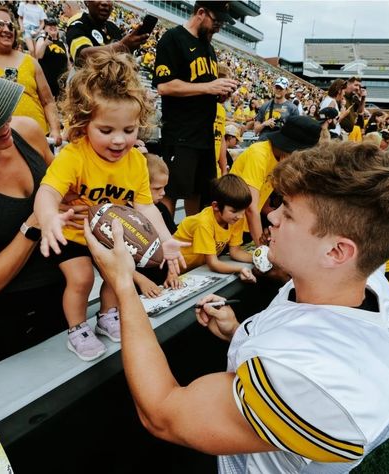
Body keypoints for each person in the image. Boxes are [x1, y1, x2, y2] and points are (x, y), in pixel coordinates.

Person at [85, 140, 389, 473]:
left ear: (337, 252)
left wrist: (123, 284)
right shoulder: (356, 284)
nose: (272, 216)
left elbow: (162, 414)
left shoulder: (316, 382)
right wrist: (238, 333)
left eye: (289, 214)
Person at [34, 50, 187, 362]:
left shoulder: (135, 163)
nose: (119, 140)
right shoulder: (75, 154)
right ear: (85, 122)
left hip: (108, 234)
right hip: (74, 233)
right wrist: (49, 216)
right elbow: (48, 190)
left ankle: (107, 317)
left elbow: (146, 208)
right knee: (82, 279)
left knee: (119, 275)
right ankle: (77, 329)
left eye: (128, 131)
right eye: (107, 130)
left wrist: (165, 238)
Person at [0, 60, 73, 369]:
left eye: (1, 108)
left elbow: (66, 189)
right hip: (8, 316)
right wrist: (35, 222)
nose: (4, 121)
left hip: (65, 289)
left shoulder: (26, 130)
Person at [152, 1, 238, 216]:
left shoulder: (208, 47)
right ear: (201, 13)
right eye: (216, 21)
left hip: (205, 136)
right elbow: (164, 86)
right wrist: (209, 86)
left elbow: (203, 90)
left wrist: (220, 93)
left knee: (200, 193)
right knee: (171, 192)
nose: (219, 27)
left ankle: (193, 243)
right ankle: (167, 240)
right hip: (181, 134)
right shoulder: (173, 38)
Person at [0, 4, 62, 145]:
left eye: (10, 26)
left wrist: (55, 130)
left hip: (39, 141)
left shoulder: (30, 61)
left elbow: (48, 101)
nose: (6, 30)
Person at [230, 115, 321, 246]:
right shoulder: (259, 154)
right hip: (234, 225)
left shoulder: (280, 161)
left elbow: (264, 202)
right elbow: (251, 207)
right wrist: (261, 249)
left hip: (248, 227)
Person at [166, 174, 257, 285]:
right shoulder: (204, 223)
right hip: (173, 269)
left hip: (197, 269)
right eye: (234, 211)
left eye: (243, 210)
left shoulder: (235, 219)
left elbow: (235, 252)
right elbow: (213, 263)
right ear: (216, 206)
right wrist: (240, 269)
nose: (240, 216)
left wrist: (259, 259)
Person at [133, 153, 180, 298]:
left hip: (161, 278)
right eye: (157, 188)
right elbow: (116, 263)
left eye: (164, 187)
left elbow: (171, 243)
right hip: (135, 282)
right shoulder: (122, 216)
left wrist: (172, 274)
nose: (163, 193)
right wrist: (142, 281)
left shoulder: (162, 209)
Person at [65, 0, 150, 66]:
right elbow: (82, 56)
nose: (105, 2)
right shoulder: (77, 25)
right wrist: (121, 46)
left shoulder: (113, 28)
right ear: (86, 1)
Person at [34, 17, 70, 100]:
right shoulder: (41, 40)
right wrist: (45, 44)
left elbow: (68, 63)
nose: (53, 26)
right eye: (50, 25)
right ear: (45, 28)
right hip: (47, 80)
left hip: (61, 82)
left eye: (55, 25)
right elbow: (38, 56)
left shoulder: (62, 43)